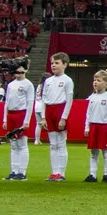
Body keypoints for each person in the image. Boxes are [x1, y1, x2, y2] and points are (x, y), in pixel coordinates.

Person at [39, 53, 73, 181]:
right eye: (52, 63)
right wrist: (43, 117)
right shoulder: (48, 81)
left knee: (61, 143)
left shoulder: (67, 80)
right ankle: (54, 172)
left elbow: (69, 100)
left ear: (64, 64)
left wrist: (64, 117)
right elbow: (44, 99)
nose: (53, 65)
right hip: (49, 111)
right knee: (53, 144)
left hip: (60, 109)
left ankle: (61, 173)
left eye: (57, 63)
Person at [2, 62, 35, 182]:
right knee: (13, 145)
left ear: (25, 70)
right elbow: (6, 102)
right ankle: (14, 171)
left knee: (22, 144)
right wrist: (5, 119)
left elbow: (30, 102)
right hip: (11, 114)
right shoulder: (10, 85)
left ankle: (22, 171)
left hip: (21, 113)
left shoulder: (28, 85)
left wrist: (27, 120)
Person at [83, 69, 107, 182]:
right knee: (93, 152)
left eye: (98, 80)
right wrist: (87, 127)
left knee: (105, 151)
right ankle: (93, 174)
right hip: (93, 126)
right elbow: (88, 113)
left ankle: (106, 175)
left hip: (104, 126)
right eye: (94, 80)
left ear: (106, 83)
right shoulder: (91, 97)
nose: (95, 82)